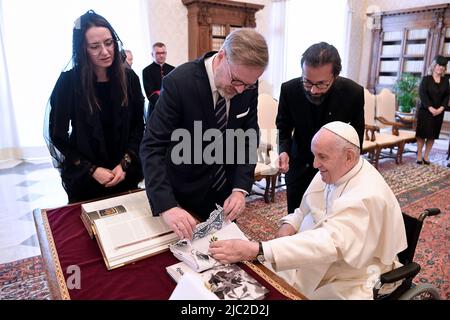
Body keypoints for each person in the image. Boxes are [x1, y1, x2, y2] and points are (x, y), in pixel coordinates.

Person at [209, 121, 407, 300]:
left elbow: (331, 243)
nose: (314, 164)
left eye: (322, 157)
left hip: (349, 274)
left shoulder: (367, 196)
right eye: (315, 155)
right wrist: (290, 223)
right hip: (309, 255)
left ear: (349, 156)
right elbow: (305, 208)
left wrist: (258, 249)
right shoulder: (335, 170)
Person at [140, 29, 269, 239]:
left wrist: (240, 189)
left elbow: (248, 137)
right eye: (236, 81)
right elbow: (152, 146)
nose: (240, 90)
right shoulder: (179, 83)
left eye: (249, 84)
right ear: (221, 57)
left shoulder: (247, 86)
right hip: (183, 199)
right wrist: (167, 205)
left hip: (225, 195)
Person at [44, 10, 145, 203]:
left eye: (108, 43)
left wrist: (124, 163)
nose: (105, 52)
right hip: (86, 177)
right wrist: (92, 170)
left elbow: (138, 128)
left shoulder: (130, 79)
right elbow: (58, 135)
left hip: (124, 173)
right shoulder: (68, 83)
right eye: (94, 46)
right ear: (82, 49)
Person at [276, 42, 365, 215]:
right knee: (296, 216)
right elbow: (283, 125)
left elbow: (356, 137)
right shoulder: (289, 90)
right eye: (307, 82)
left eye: (322, 84)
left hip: (335, 171)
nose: (314, 90)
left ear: (335, 76)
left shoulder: (353, 92)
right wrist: (284, 151)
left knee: (329, 219)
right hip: (299, 166)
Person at [415, 55, 450, 165]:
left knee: (432, 135)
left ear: (445, 68)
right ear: (434, 66)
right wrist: (430, 108)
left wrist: (441, 108)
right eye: (439, 65)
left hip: (439, 113)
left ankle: (426, 156)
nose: (440, 68)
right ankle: (419, 156)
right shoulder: (426, 79)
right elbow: (422, 94)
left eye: (443, 66)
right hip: (425, 112)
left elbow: (447, 96)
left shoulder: (446, 81)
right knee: (422, 134)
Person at [142, 42, 175, 118]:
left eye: (163, 53)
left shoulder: (173, 69)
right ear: (152, 54)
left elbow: (175, 90)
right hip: (155, 109)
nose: (161, 56)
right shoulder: (146, 71)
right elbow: (150, 93)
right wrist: (162, 105)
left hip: (171, 109)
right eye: (158, 53)